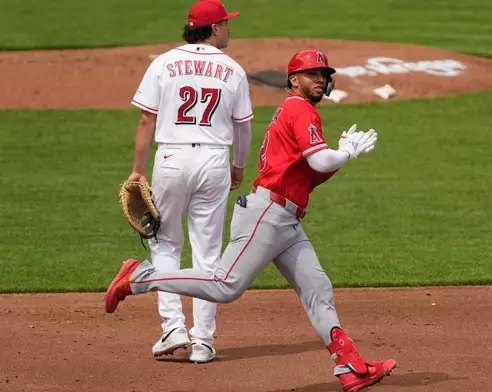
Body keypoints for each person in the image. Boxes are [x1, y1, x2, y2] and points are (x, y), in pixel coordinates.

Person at [106, 49, 395, 392]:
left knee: (318, 288)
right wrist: (344, 152)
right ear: (293, 80)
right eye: (311, 73)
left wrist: (340, 157)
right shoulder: (299, 110)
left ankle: (349, 366)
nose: (319, 79)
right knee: (225, 284)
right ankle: (139, 277)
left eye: (323, 73)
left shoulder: (294, 112)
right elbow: (319, 163)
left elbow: (310, 177)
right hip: (266, 216)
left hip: (286, 222)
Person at [126, 0, 253, 363]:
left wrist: (138, 170)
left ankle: (172, 327)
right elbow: (243, 126)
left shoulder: (163, 62)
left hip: (171, 158)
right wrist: (238, 166)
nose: (229, 28)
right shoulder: (232, 69)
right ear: (213, 29)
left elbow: (146, 122)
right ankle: (203, 342)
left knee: (165, 243)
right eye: (226, 23)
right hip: (214, 160)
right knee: (208, 252)